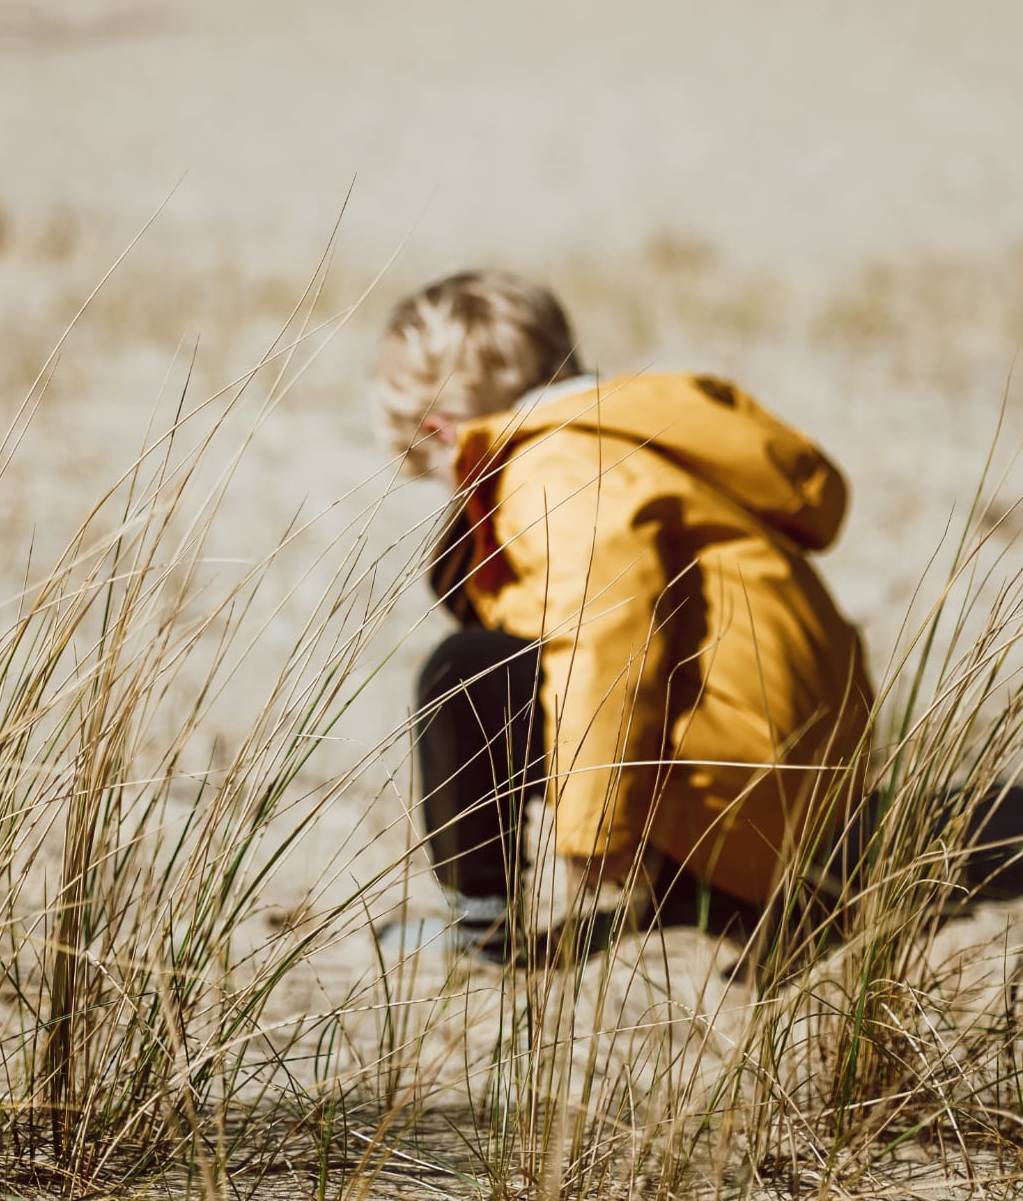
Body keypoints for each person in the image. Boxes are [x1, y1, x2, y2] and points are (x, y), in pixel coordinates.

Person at [374, 270, 873, 954]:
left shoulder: (550, 466)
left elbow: (603, 635)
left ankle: (479, 920)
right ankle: (692, 874)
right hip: (817, 799)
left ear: (440, 431)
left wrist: (595, 827)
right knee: (510, 652)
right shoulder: (634, 434)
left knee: (464, 674)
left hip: (745, 805)